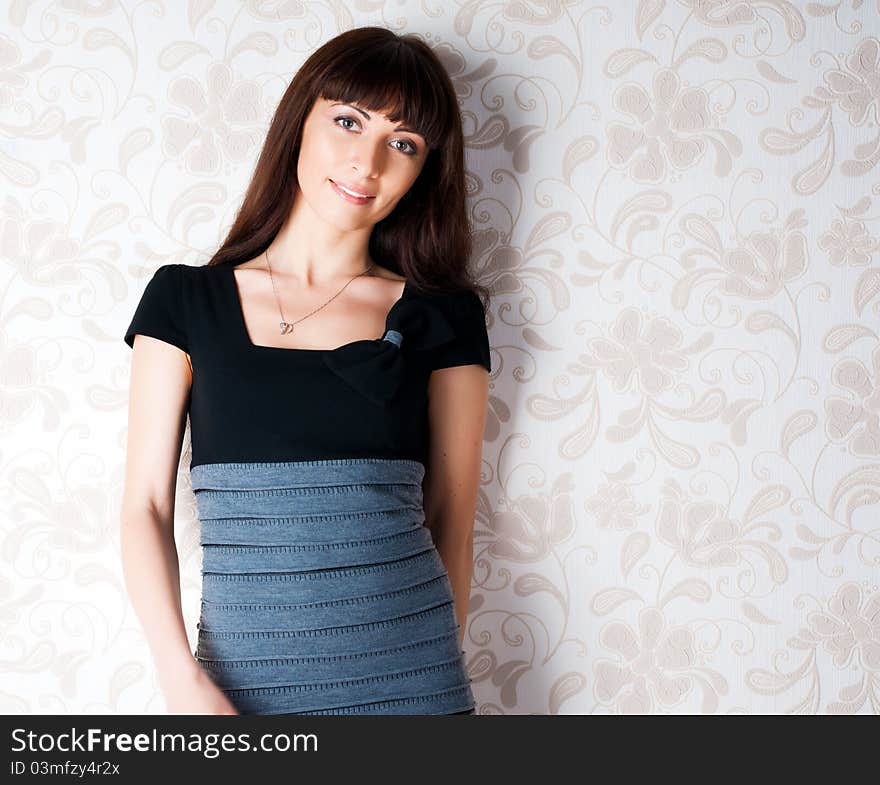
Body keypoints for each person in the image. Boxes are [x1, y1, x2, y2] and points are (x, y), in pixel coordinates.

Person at [119, 26, 491, 715]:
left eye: (402, 142)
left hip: (415, 682)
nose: (367, 161)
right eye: (348, 121)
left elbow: (452, 518)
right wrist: (181, 680)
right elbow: (144, 506)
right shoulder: (185, 300)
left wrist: (435, 681)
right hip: (239, 689)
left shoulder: (443, 316)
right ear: (299, 122)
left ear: (422, 169)